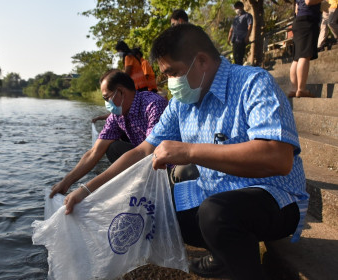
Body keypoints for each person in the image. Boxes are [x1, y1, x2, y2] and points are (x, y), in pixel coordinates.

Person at [63, 24, 308, 280]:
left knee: (216, 214)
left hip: (275, 197)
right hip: (217, 193)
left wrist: (189, 151)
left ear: (201, 61)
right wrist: (87, 190)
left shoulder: (254, 83)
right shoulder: (182, 104)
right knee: (155, 209)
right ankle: (224, 256)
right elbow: (143, 150)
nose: (171, 84)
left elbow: (277, 158)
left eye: (174, 73)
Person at [49, 69, 167, 198]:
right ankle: (139, 182)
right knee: (112, 148)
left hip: (165, 163)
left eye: (107, 98)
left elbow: (146, 152)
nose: (107, 104)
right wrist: (66, 182)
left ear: (121, 92)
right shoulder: (117, 115)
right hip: (145, 158)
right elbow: (95, 151)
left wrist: (87, 189)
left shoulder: (153, 105)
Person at [289, 0, 322, 98]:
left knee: (296, 58)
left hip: (298, 20)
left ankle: (294, 89)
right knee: (304, 55)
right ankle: (301, 89)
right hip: (308, 20)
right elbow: (308, 1)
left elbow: (296, 10)